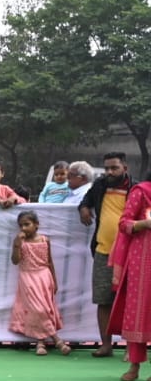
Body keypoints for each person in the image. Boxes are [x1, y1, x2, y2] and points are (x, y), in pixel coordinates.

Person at [79, 152, 133, 358]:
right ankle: (106, 345)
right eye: (107, 168)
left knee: (129, 301)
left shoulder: (134, 188)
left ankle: (131, 349)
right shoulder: (100, 185)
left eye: (114, 168)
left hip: (129, 254)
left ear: (124, 168)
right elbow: (86, 200)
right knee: (103, 300)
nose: (109, 172)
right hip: (102, 251)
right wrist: (84, 208)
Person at [108, 169, 151, 381]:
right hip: (142, 259)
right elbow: (124, 223)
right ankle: (134, 365)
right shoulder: (141, 191)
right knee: (139, 311)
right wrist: (144, 224)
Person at [9, 210, 68, 356]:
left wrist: (54, 280)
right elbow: (15, 261)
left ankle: (40, 343)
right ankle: (57, 340)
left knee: (45, 308)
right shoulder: (20, 242)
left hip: (44, 277)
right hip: (28, 277)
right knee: (38, 309)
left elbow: (50, 262)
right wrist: (16, 244)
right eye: (21, 226)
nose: (23, 228)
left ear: (36, 225)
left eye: (27, 224)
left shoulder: (44, 240)